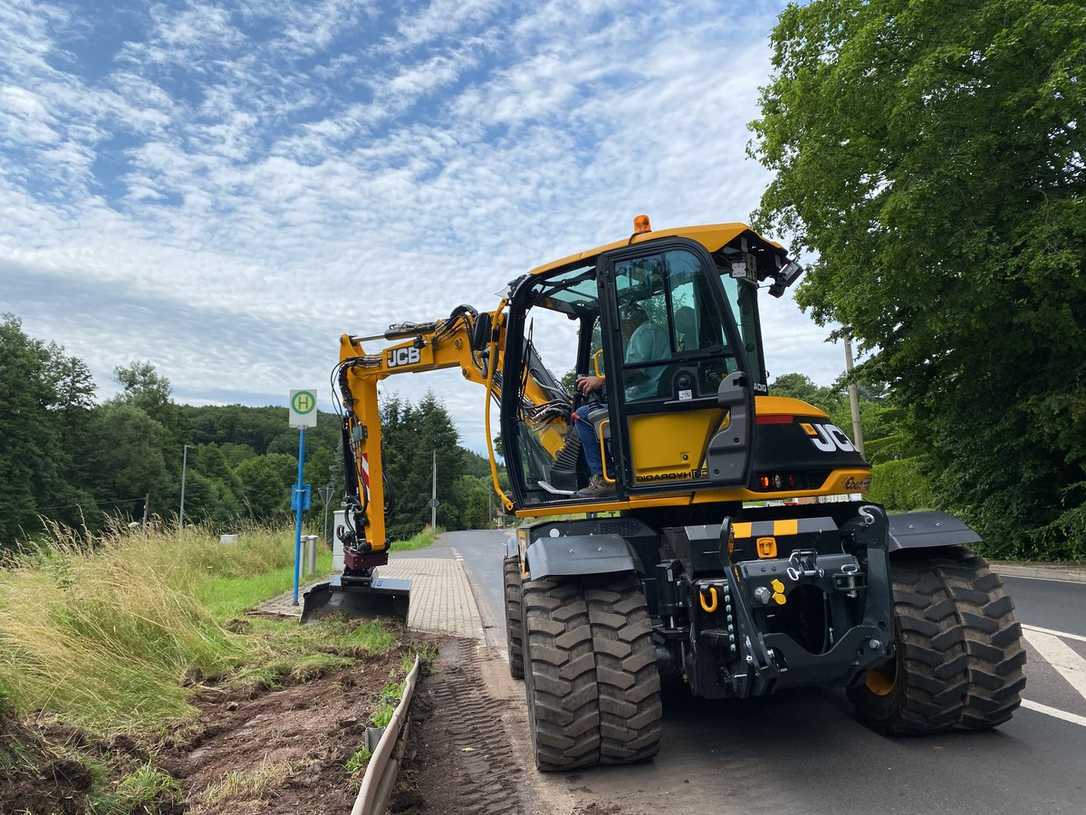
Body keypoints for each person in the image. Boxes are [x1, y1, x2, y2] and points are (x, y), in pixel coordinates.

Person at [572, 304, 670, 498]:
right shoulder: (657, 332)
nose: (624, 330)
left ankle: (605, 478)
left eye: (623, 324)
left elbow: (635, 371)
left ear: (628, 321)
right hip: (653, 394)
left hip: (644, 397)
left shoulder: (643, 332)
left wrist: (601, 381)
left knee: (582, 415)